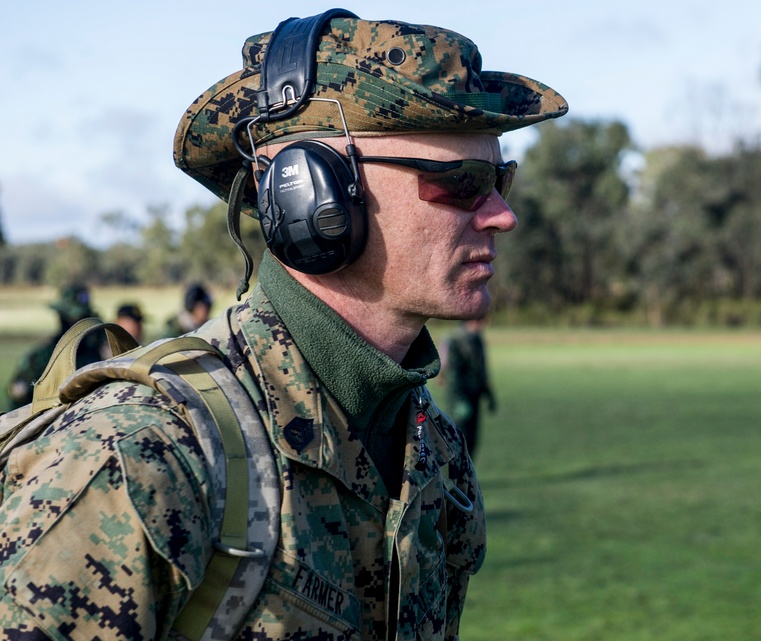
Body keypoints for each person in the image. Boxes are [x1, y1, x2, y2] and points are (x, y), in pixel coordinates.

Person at [0, 8, 566, 640]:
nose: (501, 215)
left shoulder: (430, 449)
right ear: (310, 190)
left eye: (501, 179)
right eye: (463, 183)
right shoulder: (139, 455)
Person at [4, 283, 103, 411]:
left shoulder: (96, 354)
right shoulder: (43, 357)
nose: (80, 325)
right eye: (76, 319)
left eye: (86, 319)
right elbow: (17, 394)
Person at [442, 318, 496, 460]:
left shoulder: (477, 340)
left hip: (474, 396)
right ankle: (455, 476)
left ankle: (467, 476)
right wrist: (458, 400)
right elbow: (452, 375)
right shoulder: (456, 341)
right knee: (459, 438)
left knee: (472, 439)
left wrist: (489, 395)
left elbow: (481, 371)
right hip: (460, 398)